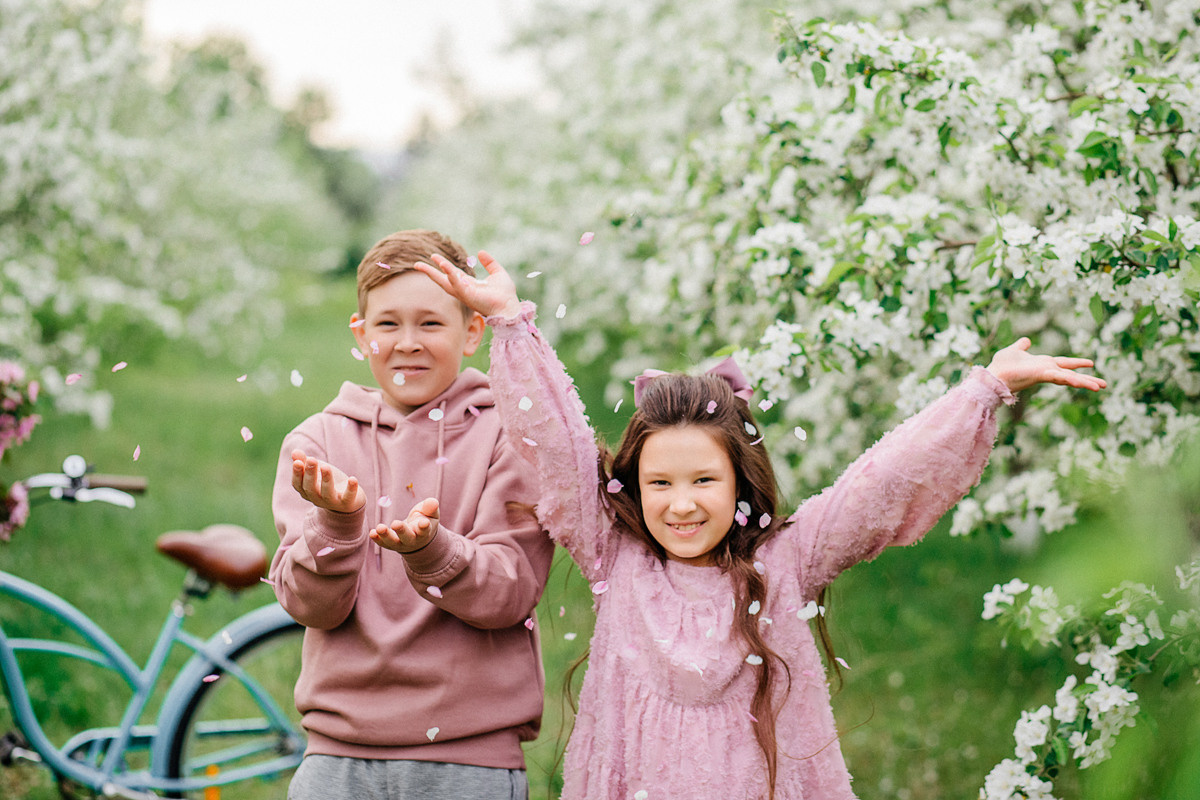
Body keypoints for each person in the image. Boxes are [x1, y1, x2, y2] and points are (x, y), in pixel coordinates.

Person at [415, 251, 1107, 800]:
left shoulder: (788, 560)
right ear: (633, 485)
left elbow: (884, 481)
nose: (680, 504)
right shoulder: (616, 554)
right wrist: (510, 323)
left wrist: (985, 389)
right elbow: (559, 450)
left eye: (703, 481)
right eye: (660, 483)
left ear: (741, 482)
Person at [269, 230, 555, 800]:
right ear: (360, 334)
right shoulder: (316, 445)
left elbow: (511, 592)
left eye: (430, 323)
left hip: (468, 759)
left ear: (472, 331)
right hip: (338, 756)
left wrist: (434, 552)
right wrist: (336, 527)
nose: (408, 343)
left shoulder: (508, 437)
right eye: (387, 324)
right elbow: (308, 606)